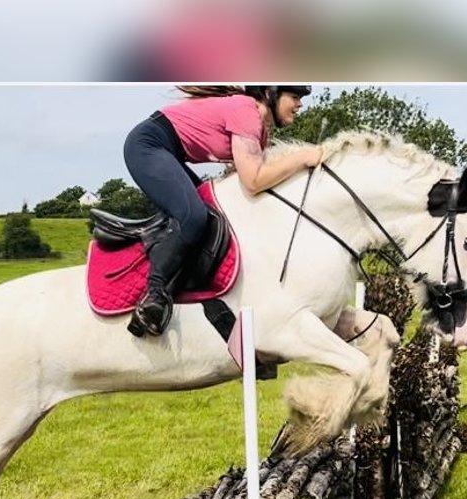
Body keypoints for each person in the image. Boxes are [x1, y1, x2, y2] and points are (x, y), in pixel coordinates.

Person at [122, 85, 320, 337]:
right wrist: (302, 157)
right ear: (271, 94)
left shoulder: (259, 130)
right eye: (295, 96)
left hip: (167, 151)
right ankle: (154, 295)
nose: (300, 104)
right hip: (147, 146)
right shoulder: (246, 113)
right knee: (194, 217)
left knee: (215, 222)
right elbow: (254, 181)